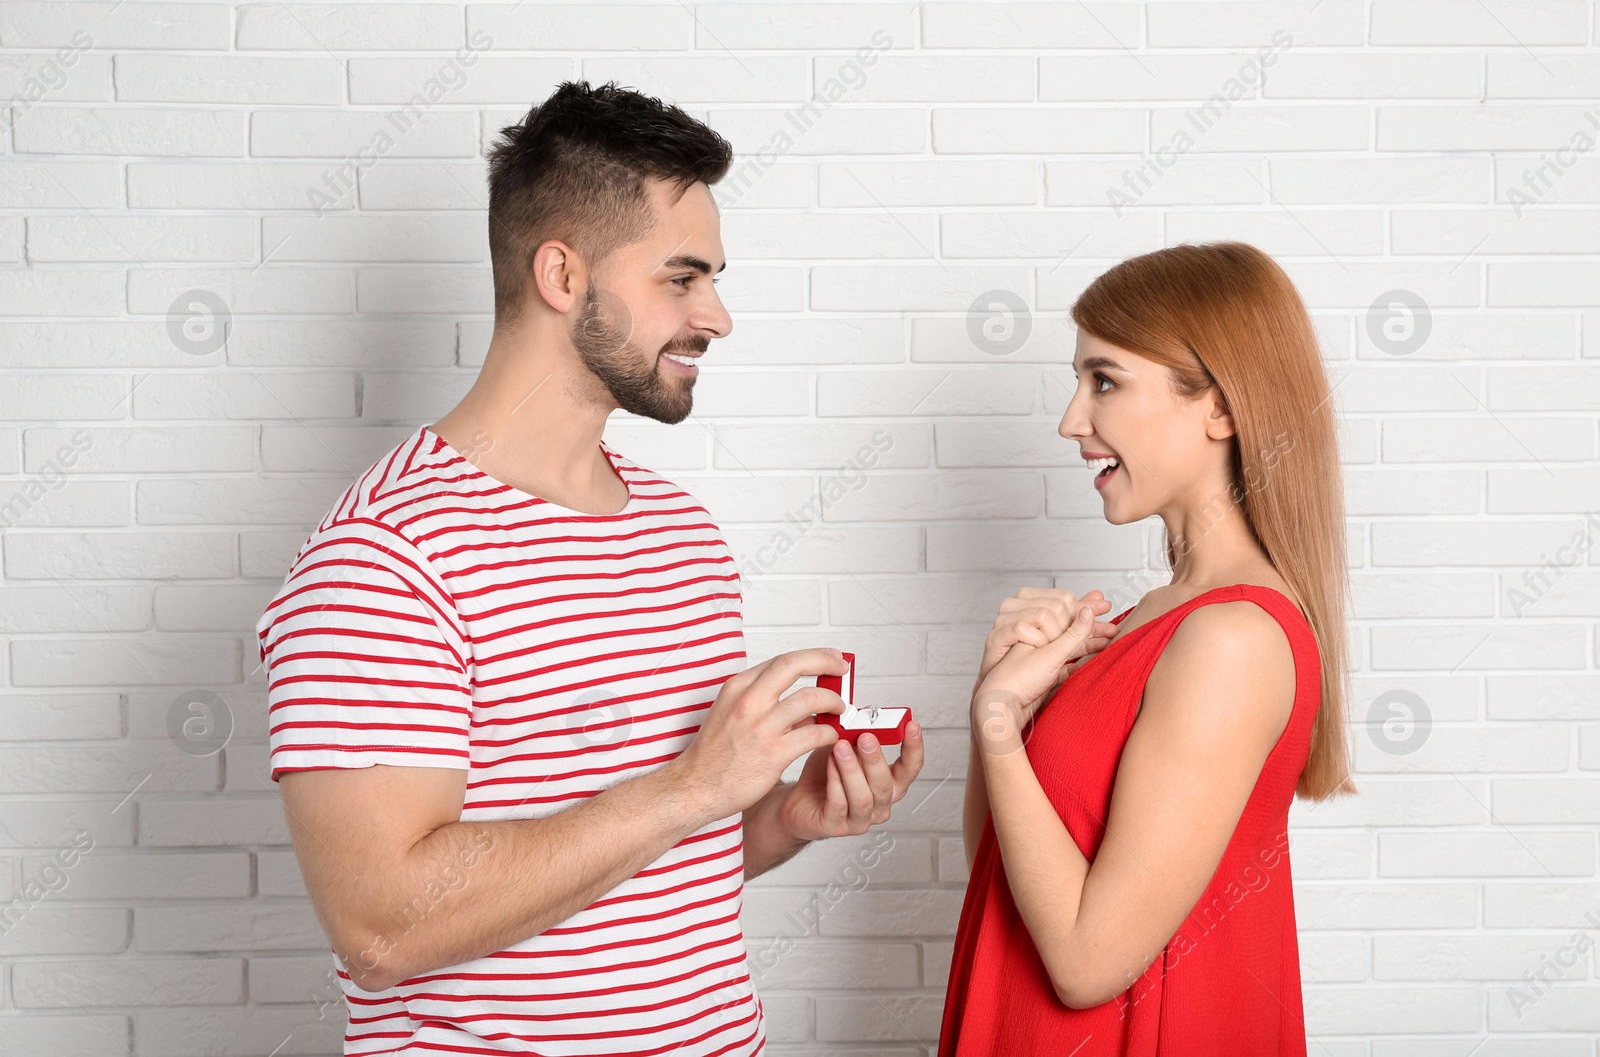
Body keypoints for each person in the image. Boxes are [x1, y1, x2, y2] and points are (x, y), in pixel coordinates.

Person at [256, 80, 924, 1056]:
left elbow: (638, 872)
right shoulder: (385, 557)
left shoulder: (681, 534)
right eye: (682, 278)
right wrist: (694, 786)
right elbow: (383, 926)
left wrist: (783, 815)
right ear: (562, 276)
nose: (718, 316)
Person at [939, 241, 1354, 1055]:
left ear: (1222, 408)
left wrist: (997, 725)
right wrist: (999, 702)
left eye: (1105, 380)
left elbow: (1088, 963)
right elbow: (998, 870)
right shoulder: (1147, 620)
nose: (1071, 420)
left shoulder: (1231, 639)